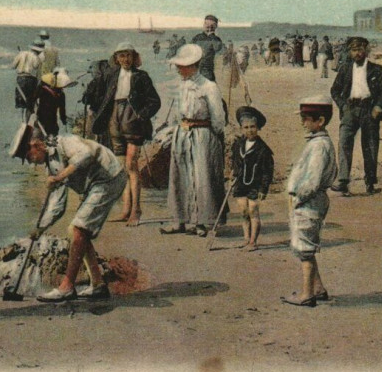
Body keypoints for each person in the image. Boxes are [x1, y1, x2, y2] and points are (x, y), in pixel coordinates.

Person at [18, 130, 127, 302]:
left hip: (109, 178)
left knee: (79, 229)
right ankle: (98, 285)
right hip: (95, 184)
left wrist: (60, 176)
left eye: (28, 156)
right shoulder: (51, 165)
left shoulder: (64, 142)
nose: (31, 162)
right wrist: (40, 229)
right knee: (76, 231)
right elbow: (57, 204)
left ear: (36, 145)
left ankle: (67, 287)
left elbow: (87, 154)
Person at [92, 43, 161, 226]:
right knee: (122, 168)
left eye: (128, 55)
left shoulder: (142, 76)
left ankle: (136, 211)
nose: (125, 59)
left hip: (133, 122)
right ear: (116, 58)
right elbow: (99, 95)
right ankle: (125, 210)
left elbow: (155, 102)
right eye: (121, 56)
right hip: (114, 120)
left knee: (131, 165)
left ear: (134, 56)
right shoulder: (111, 75)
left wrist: (141, 115)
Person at [160, 44, 226, 237]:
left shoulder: (209, 87)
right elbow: (176, 112)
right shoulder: (181, 85)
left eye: (182, 66)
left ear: (193, 65)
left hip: (202, 134)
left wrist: (212, 139)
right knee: (179, 176)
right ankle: (179, 220)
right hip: (183, 132)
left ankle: (201, 223)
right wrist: (172, 131)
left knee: (201, 177)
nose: (179, 69)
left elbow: (218, 118)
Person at [283, 96, 337, 308]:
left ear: (320, 121)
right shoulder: (319, 142)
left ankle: (306, 294)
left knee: (304, 247)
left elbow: (312, 180)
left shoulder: (318, 146)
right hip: (311, 201)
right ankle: (318, 288)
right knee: (307, 244)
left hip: (309, 201)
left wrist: (298, 197)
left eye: (306, 118)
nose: (303, 122)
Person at [330, 36, 382, 195]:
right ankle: (343, 180)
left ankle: (370, 182)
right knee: (344, 143)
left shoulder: (377, 69)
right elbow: (334, 90)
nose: (357, 53)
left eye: (360, 49)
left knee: (370, 146)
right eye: (354, 50)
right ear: (349, 52)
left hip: (370, 111)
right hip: (350, 110)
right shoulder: (344, 69)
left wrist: (379, 106)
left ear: (366, 50)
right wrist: (342, 105)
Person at [230, 106, 274, 251]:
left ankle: (253, 241)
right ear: (242, 129)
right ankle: (246, 238)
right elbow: (235, 162)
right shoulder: (238, 145)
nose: (250, 130)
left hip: (255, 184)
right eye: (246, 127)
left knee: (253, 211)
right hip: (241, 183)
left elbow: (268, 171)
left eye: (253, 127)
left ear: (258, 128)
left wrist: (263, 188)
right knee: (243, 211)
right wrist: (233, 175)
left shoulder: (263, 149)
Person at [12, 37, 45, 117]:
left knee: (21, 101)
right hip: (31, 79)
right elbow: (36, 67)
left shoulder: (21, 54)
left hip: (20, 79)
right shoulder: (36, 57)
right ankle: (28, 119)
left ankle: (23, 120)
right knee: (30, 102)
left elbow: (13, 66)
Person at [34, 68, 71, 136]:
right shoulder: (46, 90)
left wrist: (63, 120)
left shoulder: (44, 89)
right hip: (45, 118)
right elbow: (62, 109)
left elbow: (62, 109)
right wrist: (63, 120)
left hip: (46, 118)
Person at [191, 14, 224, 82]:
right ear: (204, 24)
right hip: (195, 71)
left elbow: (218, 48)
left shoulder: (216, 39)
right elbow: (190, 49)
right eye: (207, 24)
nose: (209, 27)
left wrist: (212, 35)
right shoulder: (197, 37)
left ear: (215, 27)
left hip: (207, 72)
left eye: (212, 26)